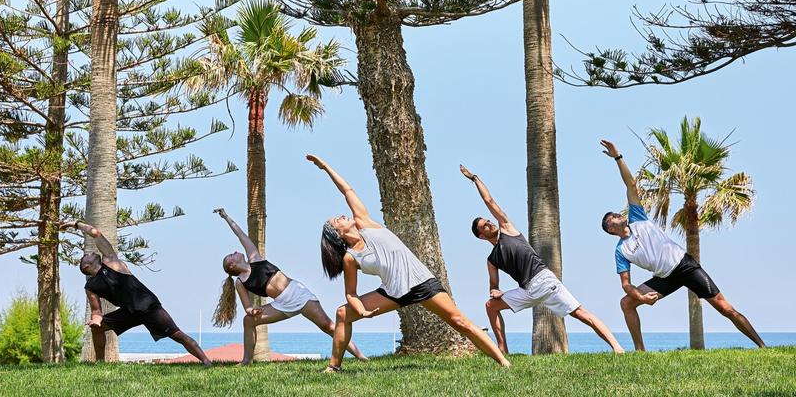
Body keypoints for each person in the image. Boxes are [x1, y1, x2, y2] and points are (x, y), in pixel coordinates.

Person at [310, 153, 510, 372]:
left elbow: (347, 191)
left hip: (421, 282)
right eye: (337, 220)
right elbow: (351, 293)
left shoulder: (365, 223)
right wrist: (361, 310)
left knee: (459, 321)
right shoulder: (350, 258)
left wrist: (325, 167)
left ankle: (503, 362)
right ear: (338, 235)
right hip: (393, 293)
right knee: (342, 313)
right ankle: (334, 367)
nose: (341, 216)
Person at [599, 139, 766, 351]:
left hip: (685, 266)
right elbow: (625, 284)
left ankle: (762, 345)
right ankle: (640, 351)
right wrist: (641, 297)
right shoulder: (621, 251)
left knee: (725, 307)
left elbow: (631, 184)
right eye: (611, 217)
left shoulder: (637, 217)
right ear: (610, 230)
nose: (616, 214)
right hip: (664, 278)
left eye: (615, 213)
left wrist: (617, 157)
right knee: (626, 303)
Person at [461, 164, 624, 354]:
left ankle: (617, 347)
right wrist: (495, 291)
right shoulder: (492, 259)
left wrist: (475, 178)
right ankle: (502, 351)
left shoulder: (507, 229)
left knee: (581, 313)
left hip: (544, 281)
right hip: (527, 290)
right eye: (485, 226)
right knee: (491, 306)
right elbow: (493, 286)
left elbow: (489, 200)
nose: (489, 223)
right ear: (481, 236)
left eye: (488, 221)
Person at [212, 208, 367, 364]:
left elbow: (240, 235)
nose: (235, 251)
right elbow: (247, 307)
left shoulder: (255, 258)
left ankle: (360, 356)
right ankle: (247, 360)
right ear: (232, 265)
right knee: (248, 320)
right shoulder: (240, 282)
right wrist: (252, 310)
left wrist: (226, 217)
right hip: (281, 305)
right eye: (231, 255)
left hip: (298, 294)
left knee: (328, 326)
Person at [63, 220, 211, 365]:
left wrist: (74, 224)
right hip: (128, 312)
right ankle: (101, 363)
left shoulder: (110, 261)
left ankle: (206, 361)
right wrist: (96, 320)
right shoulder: (90, 286)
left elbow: (95, 233)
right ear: (87, 266)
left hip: (147, 305)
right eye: (86, 256)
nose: (89, 253)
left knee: (177, 335)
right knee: (97, 329)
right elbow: (96, 311)